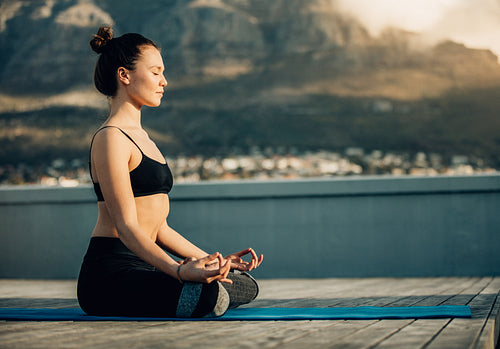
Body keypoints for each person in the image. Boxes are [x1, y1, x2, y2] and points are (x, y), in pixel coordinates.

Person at [77, 26, 263, 318]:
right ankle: (185, 290)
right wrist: (178, 271)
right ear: (124, 75)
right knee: (210, 295)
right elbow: (126, 227)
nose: (164, 81)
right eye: (155, 72)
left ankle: (192, 286)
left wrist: (210, 260)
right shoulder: (110, 138)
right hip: (111, 273)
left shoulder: (143, 138)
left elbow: (159, 227)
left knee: (242, 284)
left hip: (150, 263)